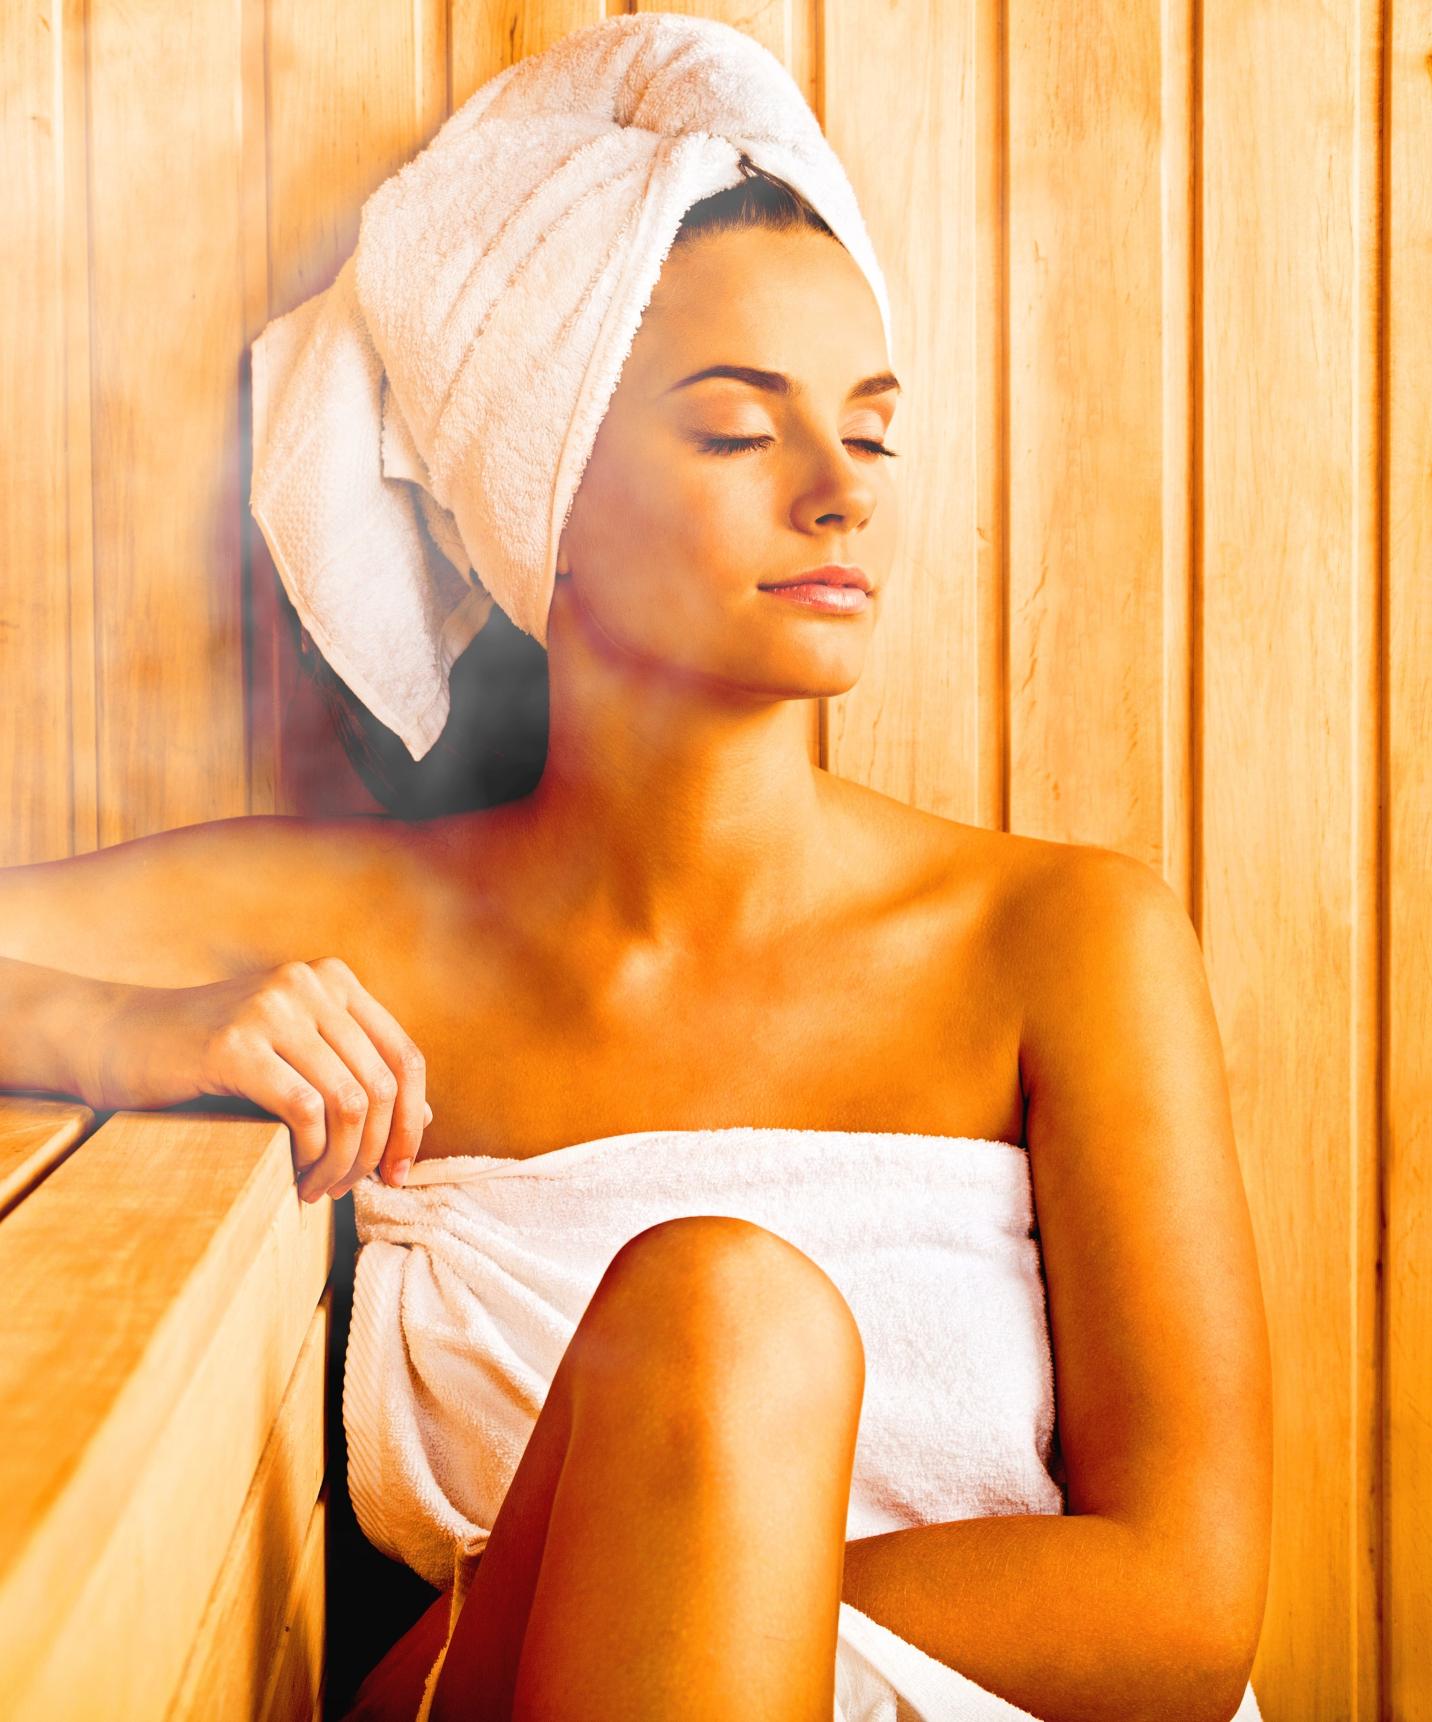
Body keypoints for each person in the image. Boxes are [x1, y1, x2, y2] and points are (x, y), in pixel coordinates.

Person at [0, 139, 1271, 1722]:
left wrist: (682, 1584)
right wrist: (120, 1029)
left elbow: (1190, 1603)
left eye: (870, 429)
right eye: (742, 427)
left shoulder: (1065, 938)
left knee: (726, 1321)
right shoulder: (371, 931)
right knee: (720, 1320)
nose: (841, 487)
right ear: (545, 496)